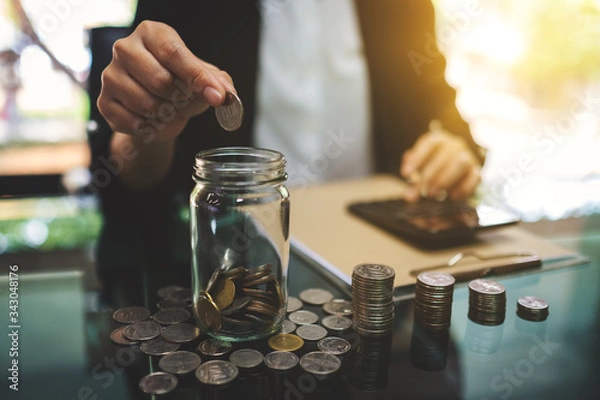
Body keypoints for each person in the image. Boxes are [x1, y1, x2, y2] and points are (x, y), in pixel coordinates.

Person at [92, 0, 484, 299]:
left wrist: (455, 147)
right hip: (233, 269)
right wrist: (148, 129)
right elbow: (134, 174)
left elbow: (438, 103)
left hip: (385, 273)